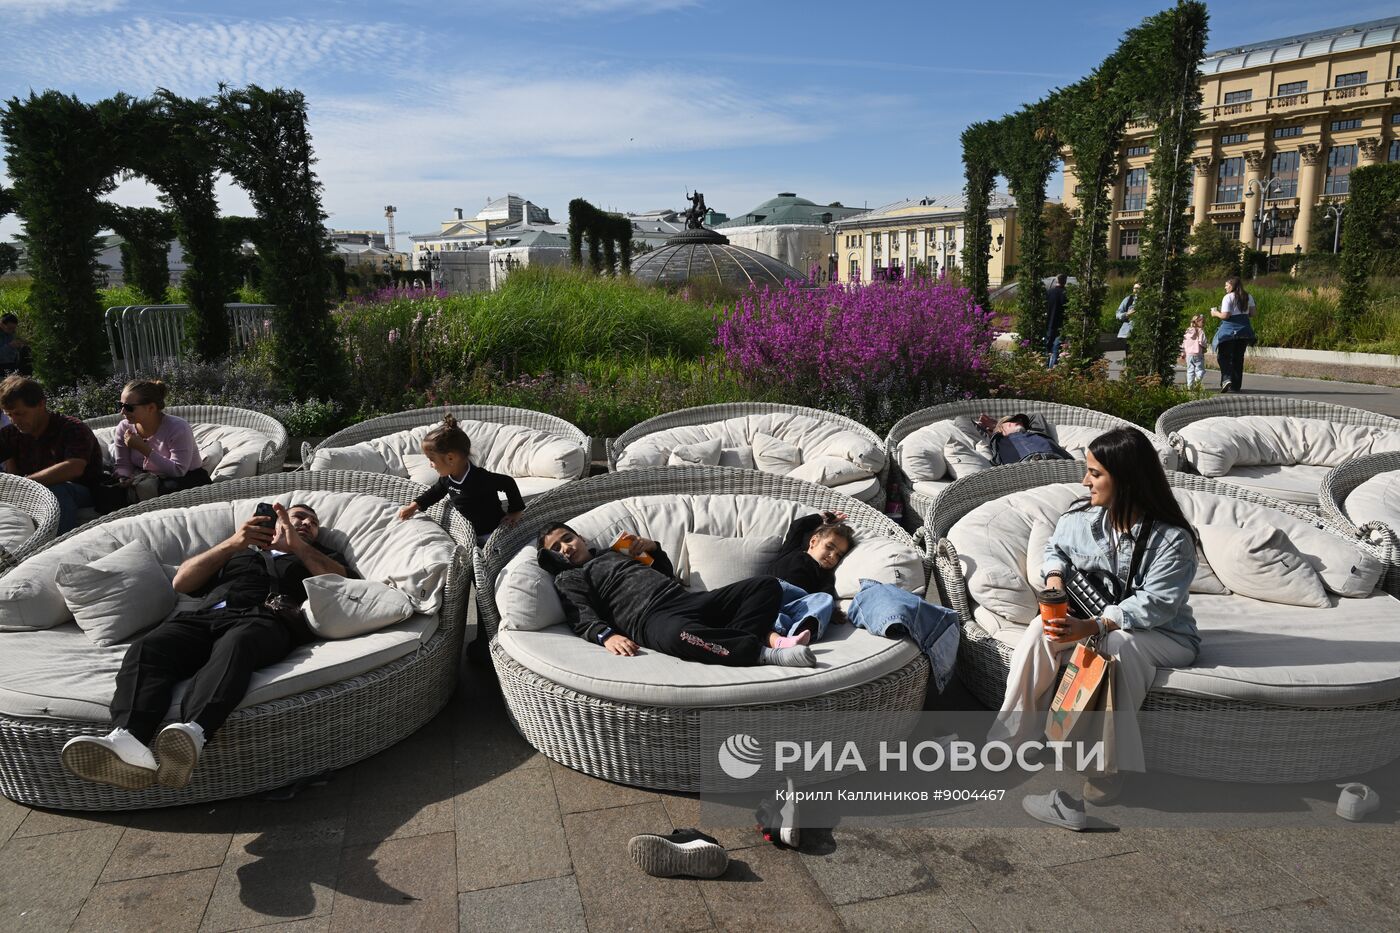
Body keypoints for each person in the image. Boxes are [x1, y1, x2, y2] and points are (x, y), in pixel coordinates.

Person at [61, 503, 354, 790]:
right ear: (276, 521)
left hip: (266, 618)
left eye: (312, 524)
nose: (306, 524)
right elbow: (182, 582)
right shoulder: (239, 552)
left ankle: (194, 733)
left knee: (237, 644)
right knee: (149, 648)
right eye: (299, 517)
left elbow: (342, 582)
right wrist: (232, 544)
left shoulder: (318, 555)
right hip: (207, 617)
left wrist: (299, 547)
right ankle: (129, 740)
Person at [990, 427, 1199, 808]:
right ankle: (1012, 738)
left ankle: (1105, 767)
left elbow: (1158, 604)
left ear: (1127, 479)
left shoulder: (1171, 540)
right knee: (1041, 629)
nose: (1085, 481)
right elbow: (1057, 550)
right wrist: (1054, 578)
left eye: (1095, 473)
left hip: (1165, 635)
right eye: (1088, 471)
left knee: (1118, 644)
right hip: (1093, 620)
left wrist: (1095, 625)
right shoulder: (1082, 519)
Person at [538, 523, 813, 667]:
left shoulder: (614, 551)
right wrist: (606, 635)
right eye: (556, 549)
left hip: (684, 598)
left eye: (567, 539)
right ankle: (762, 653)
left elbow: (664, 572)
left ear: (581, 538)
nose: (565, 548)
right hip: (650, 619)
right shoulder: (570, 577)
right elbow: (579, 614)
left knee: (766, 585)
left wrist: (653, 548)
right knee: (680, 636)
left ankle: (734, 641)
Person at [0, 375, 103, 533]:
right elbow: (11, 472)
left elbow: (74, 467)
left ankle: (57, 544)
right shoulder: (10, 434)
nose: (14, 420)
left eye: (20, 414)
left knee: (56, 489)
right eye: (9, 415)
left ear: (41, 404)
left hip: (82, 492)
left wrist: (26, 483)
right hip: (31, 494)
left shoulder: (72, 428)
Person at [398, 414, 523, 542]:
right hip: (467, 533)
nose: (430, 465)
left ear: (450, 458)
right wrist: (414, 506)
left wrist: (515, 511)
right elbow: (434, 493)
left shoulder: (480, 478)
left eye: (432, 460)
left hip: (492, 532)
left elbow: (508, 482)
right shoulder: (447, 479)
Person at [100, 379, 207, 511]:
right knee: (106, 495)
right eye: (120, 405)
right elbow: (123, 464)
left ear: (151, 408)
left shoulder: (178, 427)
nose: (122, 411)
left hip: (185, 478)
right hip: (147, 476)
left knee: (168, 490)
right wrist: (124, 477)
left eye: (128, 407)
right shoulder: (124, 427)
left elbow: (178, 470)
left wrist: (143, 448)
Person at [767, 510, 854, 640]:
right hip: (770, 593)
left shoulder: (825, 575)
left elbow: (826, 594)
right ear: (813, 541)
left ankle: (796, 633)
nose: (832, 556)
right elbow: (798, 526)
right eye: (829, 547)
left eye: (838, 555)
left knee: (824, 599)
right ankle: (776, 631)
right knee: (765, 589)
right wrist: (823, 517)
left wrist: (832, 612)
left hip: (796, 606)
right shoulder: (792, 550)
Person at [1210, 276, 1256, 393]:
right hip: (1245, 331)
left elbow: (1226, 316)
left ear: (1232, 285)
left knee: (1223, 356)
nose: (1225, 287)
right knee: (1238, 358)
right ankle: (1236, 386)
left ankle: (1226, 379)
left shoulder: (1228, 297)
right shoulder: (1248, 296)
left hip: (1229, 331)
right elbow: (1252, 313)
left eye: (1226, 285)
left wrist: (1215, 313)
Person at [976, 413, 1071, 465]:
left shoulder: (1038, 433)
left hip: (1060, 463)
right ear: (1001, 428)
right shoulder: (998, 441)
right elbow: (964, 423)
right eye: (1011, 420)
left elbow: (1036, 416)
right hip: (1023, 468)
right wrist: (995, 426)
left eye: (1020, 421)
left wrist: (998, 424)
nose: (1019, 422)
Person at [1044, 273, 1069, 367]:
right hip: (1062, 323)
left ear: (1056, 280)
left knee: (1048, 346)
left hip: (1050, 322)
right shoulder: (1066, 293)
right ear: (1065, 281)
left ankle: (1046, 366)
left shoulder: (1049, 292)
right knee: (1057, 347)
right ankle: (1053, 367)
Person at [0, 313, 33, 379]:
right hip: (2, 367)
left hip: (10, 366)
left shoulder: (11, 334)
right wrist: (10, 346)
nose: (12, 331)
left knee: (26, 350)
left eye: (14, 329)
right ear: (1, 324)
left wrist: (20, 347)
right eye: (10, 328)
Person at [1180, 314, 1207, 390]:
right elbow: (1202, 342)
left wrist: (1183, 352)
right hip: (1198, 354)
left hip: (1189, 354)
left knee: (1190, 370)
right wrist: (1205, 348)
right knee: (1200, 370)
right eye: (1203, 322)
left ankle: (1189, 386)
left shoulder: (1188, 331)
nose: (1204, 323)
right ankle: (1196, 381)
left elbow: (1184, 342)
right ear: (1198, 322)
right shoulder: (1200, 331)